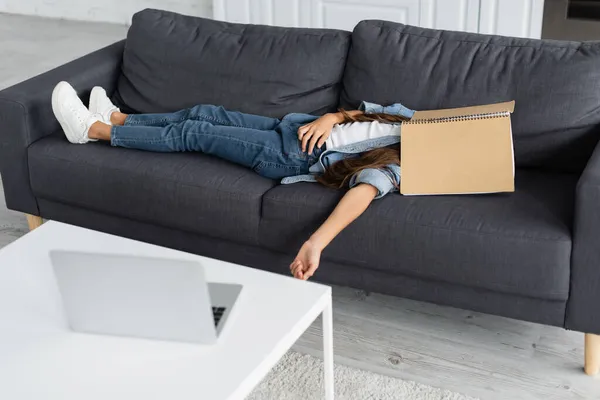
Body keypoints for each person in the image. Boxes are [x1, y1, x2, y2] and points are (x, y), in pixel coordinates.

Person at [51, 81, 416, 281]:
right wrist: (333, 118)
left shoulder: (405, 167)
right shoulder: (419, 121)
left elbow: (364, 193)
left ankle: (92, 131)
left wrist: (315, 243)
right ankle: (118, 118)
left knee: (194, 132)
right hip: (293, 126)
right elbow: (368, 113)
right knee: (204, 112)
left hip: (288, 156)